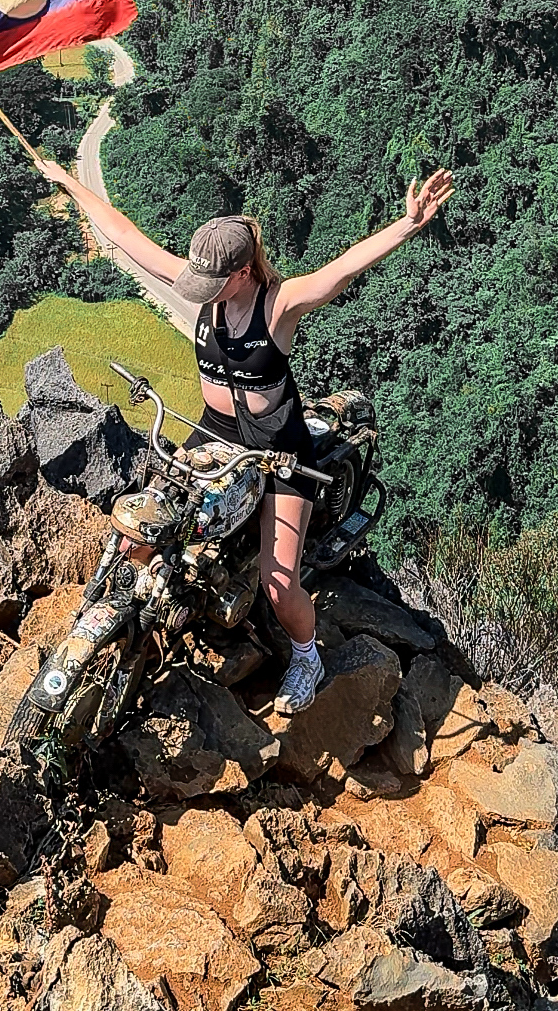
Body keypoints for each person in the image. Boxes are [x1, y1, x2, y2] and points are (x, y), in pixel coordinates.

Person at [35, 156, 453, 714]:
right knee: (141, 528)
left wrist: (408, 224)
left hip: (279, 451)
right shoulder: (206, 284)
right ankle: (120, 613)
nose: (199, 291)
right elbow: (125, 235)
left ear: (242, 272)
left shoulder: (278, 305)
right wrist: (69, 183)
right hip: (214, 433)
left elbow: (341, 271)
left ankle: (307, 656)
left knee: (279, 584)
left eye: (213, 283)